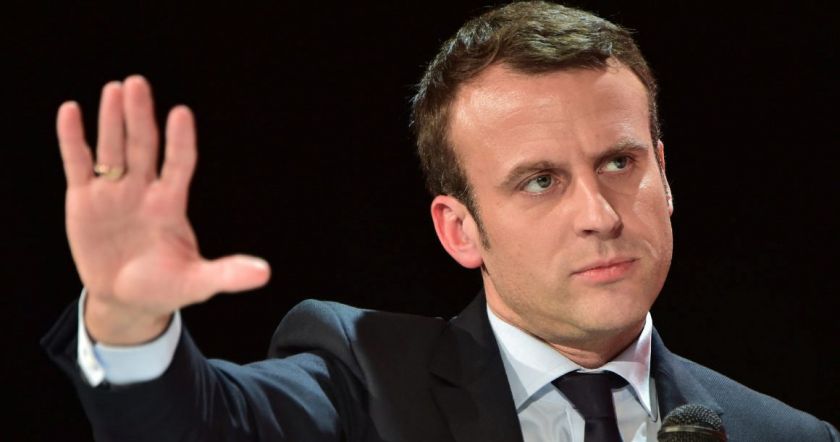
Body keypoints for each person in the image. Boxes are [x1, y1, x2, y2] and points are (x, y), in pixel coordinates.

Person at [43, 1, 837, 441]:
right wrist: (128, 325)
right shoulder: (365, 382)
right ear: (459, 229)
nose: (599, 215)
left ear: (664, 173)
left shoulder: (784, 437)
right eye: (540, 182)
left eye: (620, 163)